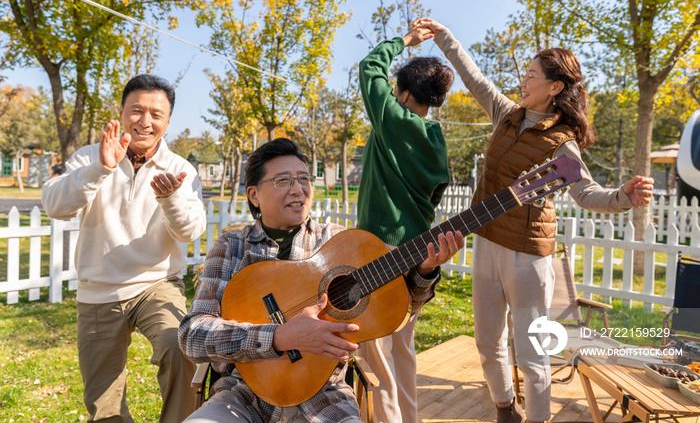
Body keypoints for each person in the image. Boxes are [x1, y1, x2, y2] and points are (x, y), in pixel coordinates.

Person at [414, 18, 655, 423]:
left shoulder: (563, 142)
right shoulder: (506, 114)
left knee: (531, 350)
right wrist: (445, 38)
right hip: (486, 241)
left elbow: (585, 193)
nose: (522, 80)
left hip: (528, 256)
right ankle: (505, 408)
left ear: (555, 87)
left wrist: (621, 198)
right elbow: (473, 77)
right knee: (488, 342)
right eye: (524, 73)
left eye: (530, 75)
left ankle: (539, 418)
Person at [178, 137, 464, 423]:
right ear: (254, 195)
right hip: (243, 394)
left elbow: (399, 307)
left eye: (304, 179)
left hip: (326, 399)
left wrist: (423, 271)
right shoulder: (231, 247)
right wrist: (279, 336)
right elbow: (192, 335)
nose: (298, 189)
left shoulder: (338, 242)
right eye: (283, 181)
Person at [42, 74, 206, 423]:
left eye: (156, 114)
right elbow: (55, 205)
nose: (146, 121)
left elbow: (190, 231)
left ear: (168, 120)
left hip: (157, 284)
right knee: (103, 402)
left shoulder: (180, 169)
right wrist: (101, 168)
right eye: (137, 110)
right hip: (98, 290)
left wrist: (170, 199)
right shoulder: (90, 157)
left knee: (180, 348)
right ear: (121, 111)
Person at [354, 26, 454, 423]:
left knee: (376, 357)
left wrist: (405, 42)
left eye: (397, 92)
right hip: (418, 254)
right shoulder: (436, 138)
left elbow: (369, 66)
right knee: (402, 351)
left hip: (379, 252)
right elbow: (434, 195)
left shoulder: (392, 118)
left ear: (406, 94)